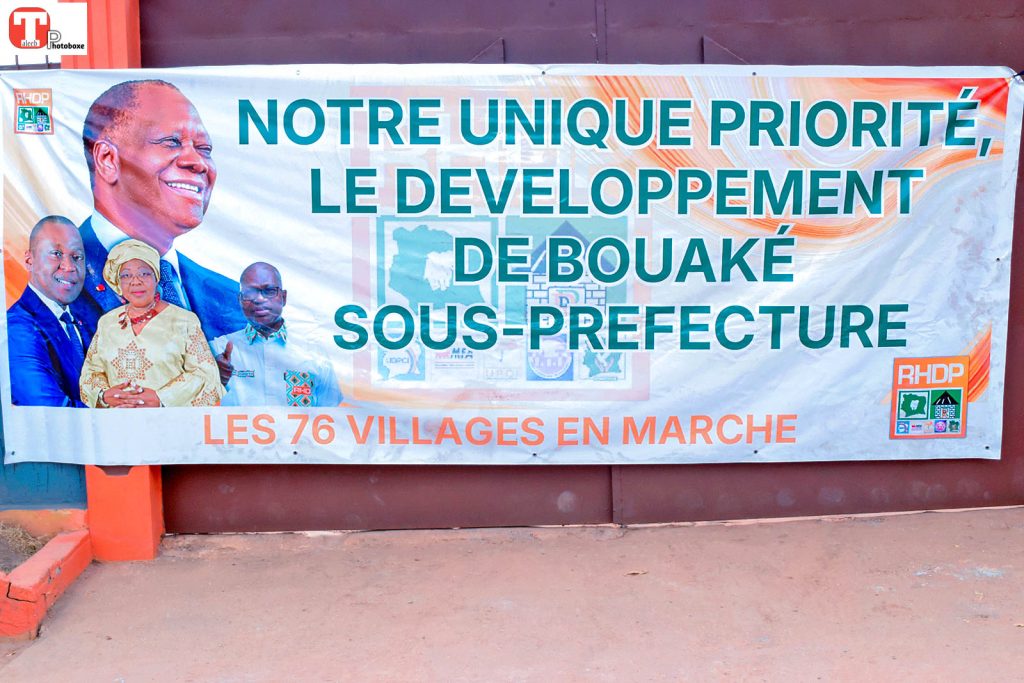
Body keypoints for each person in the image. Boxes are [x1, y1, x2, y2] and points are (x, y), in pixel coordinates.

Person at [75, 79, 244, 340]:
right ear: (108, 159)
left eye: (204, 148)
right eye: (171, 142)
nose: (197, 162)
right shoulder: (57, 282)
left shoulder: (232, 300)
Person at [79, 239, 223, 408]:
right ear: (118, 282)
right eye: (126, 275)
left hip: (169, 420)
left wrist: (161, 398)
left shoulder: (184, 320)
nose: (135, 281)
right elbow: (91, 372)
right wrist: (104, 395)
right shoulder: (107, 322)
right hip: (118, 420)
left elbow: (205, 374)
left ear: (156, 278)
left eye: (144, 273)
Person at [210, 262, 342, 407]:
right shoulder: (216, 350)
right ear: (240, 300)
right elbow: (197, 410)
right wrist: (214, 379)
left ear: (283, 297)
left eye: (269, 291)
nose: (259, 299)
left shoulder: (313, 352)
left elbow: (331, 415)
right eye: (250, 293)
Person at [8, 216, 95, 407]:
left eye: (77, 257)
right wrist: (115, 412)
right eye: (56, 253)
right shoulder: (16, 328)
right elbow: (48, 410)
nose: (69, 267)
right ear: (29, 260)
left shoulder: (88, 319)